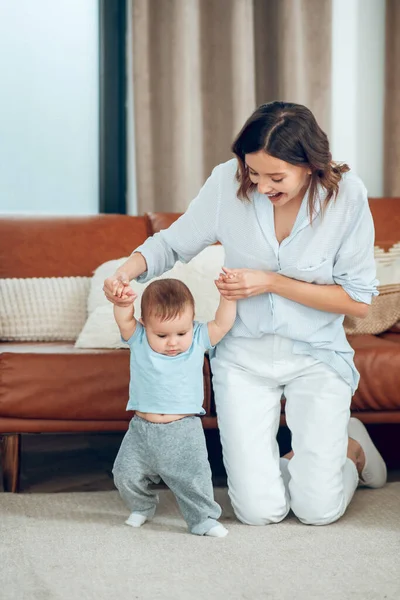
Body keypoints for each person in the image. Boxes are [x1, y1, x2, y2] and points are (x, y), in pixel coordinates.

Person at [105, 101, 387, 527]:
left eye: (276, 177)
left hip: (317, 355)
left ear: (310, 164)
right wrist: (126, 270)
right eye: (253, 173)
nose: (260, 187)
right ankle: (311, 458)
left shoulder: (347, 197)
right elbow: (172, 243)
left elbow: (358, 300)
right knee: (258, 512)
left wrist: (270, 282)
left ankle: (352, 447)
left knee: (318, 511)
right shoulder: (226, 182)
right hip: (243, 358)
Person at [112, 277, 236, 536]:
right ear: (145, 325)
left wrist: (228, 297)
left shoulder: (199, 338)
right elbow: (125, 320)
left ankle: (203, 519)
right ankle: (142, 506)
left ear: (192, 324)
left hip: (183, 430)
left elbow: (223, 323)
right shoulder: (139, 338)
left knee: (193, 479)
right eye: (162, 335)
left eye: (182, 333)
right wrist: (122, 303)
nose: (173, 342)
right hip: (141, 430)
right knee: (124, 473)